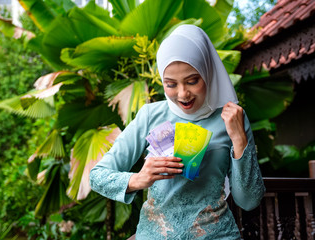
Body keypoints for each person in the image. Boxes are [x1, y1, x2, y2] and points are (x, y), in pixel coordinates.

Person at [90, 24, 265, 239]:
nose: (183, 94)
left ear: (208, 73)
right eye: (170, 84)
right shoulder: (150, 115)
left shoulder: (232, 118)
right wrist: (138, 179)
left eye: (192, 81)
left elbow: (249, 201)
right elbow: (97, 177)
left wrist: (239, 140)